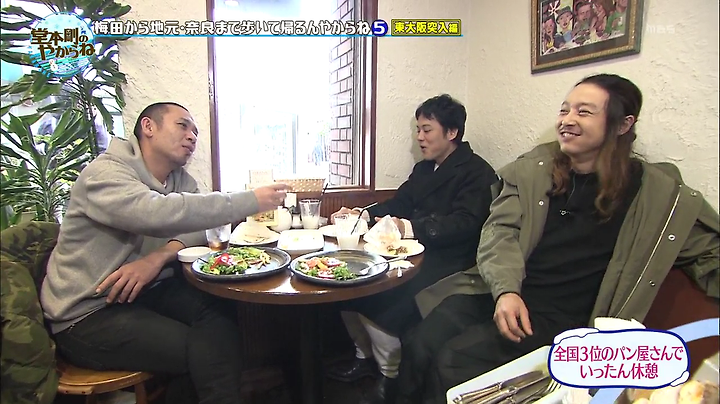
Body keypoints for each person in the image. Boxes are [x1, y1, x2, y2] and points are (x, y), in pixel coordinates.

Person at [395, 74, 720, 404]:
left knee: (453, 362)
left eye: (584, 112)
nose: (567, 120)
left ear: (623, 124)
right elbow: (499, 232)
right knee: (420, 340)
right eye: (565, 110)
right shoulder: (535, 171)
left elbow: (708, 252)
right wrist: (506, 290)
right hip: (502, 291)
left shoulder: (656, 196)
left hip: (564, 321)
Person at [40, 102, 290, 404]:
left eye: (195, 132)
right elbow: (155, 213)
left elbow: (196, 225)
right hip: (87, 313)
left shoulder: (178, 180)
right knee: (207, 353)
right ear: (148, 127)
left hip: (143, 292)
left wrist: (157, 258)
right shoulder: (105, 173)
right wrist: (250, 200)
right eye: (182, 125)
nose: (192, 136)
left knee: (219, 313)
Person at [326, 94, 498, 404]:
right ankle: (364, 357)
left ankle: (389, 376)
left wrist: (411, 227)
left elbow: (466, 223)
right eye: (418, 129)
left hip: (451, 260)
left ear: (452, 132)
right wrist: (362, 214)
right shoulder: (424, 169)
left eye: (427, 129)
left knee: (383, 303)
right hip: (411, 253)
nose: (419, 137)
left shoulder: (477, 172)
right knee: (350, 289)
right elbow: (399, 202)